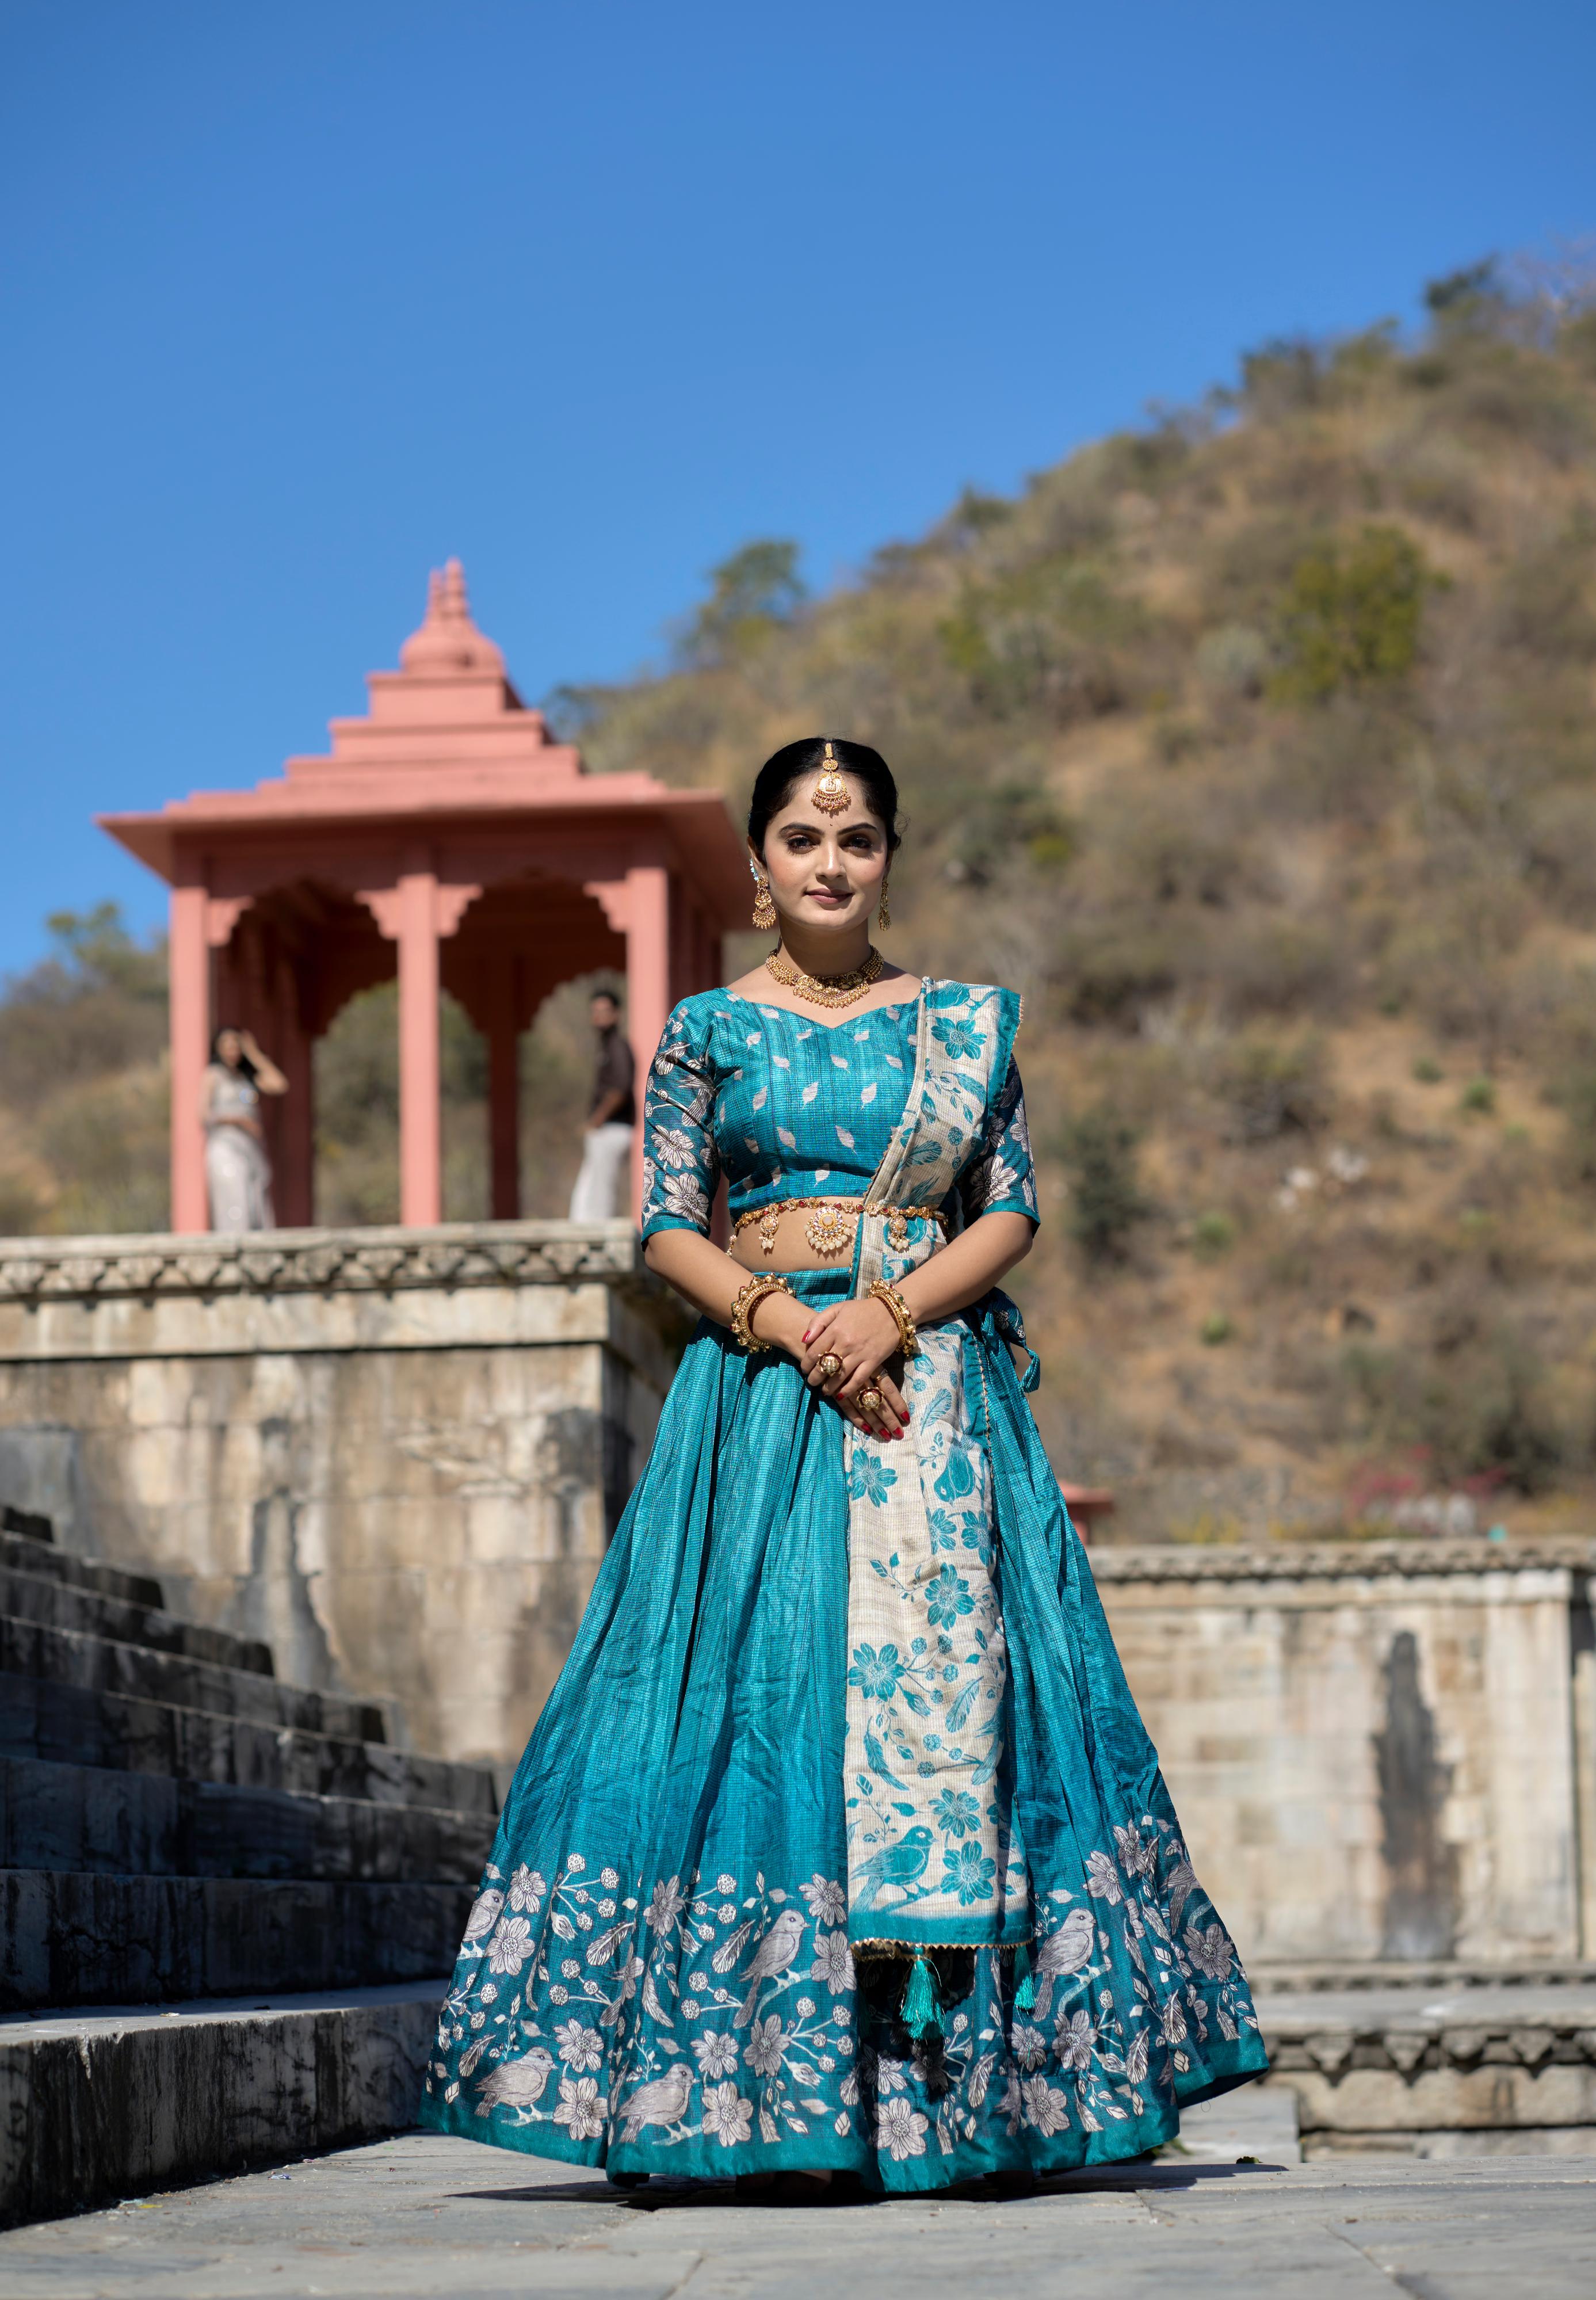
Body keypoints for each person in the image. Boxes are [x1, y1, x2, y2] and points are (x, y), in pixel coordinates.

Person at [421, 737, 1266, 2196]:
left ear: (887, 859)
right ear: (757, 867)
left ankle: (958, 2101)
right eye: (803, 836)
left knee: (987, 1722)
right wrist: (787, 1324)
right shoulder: (702, 1034)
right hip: (761, 1408)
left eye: (858, 837)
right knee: (755, 1711)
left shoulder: (962, 1027)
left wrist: (886, 1313)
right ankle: (743, 2089)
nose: (830, 860)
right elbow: (668, 1225)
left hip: (933, 1395)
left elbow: (1009, 1210)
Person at [202, 1027, 287, 1233]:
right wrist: (238, 1121)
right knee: (235, 1198)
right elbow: (204, 1115)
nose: (232, 1050)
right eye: (227, 1045)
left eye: (236, 1045)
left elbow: (280, 1085)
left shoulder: (247, 1079)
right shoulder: (213, 1076)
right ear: (218, 1048)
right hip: (225, 1147)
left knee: (254, 1200)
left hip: (250, 1148)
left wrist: (254, 1054)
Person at [567, 987, 636, 1220]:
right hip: (605, 1130)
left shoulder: (618, 1045)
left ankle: (601, 1245)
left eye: (605, 1011)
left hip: (613, 1128)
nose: (599, 1016)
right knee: (587, 1193)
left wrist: (597, 1119)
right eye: (595, 1011)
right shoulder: (606, 1046)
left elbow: (621, 1088)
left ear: (617, 1014)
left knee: (600, 1193)